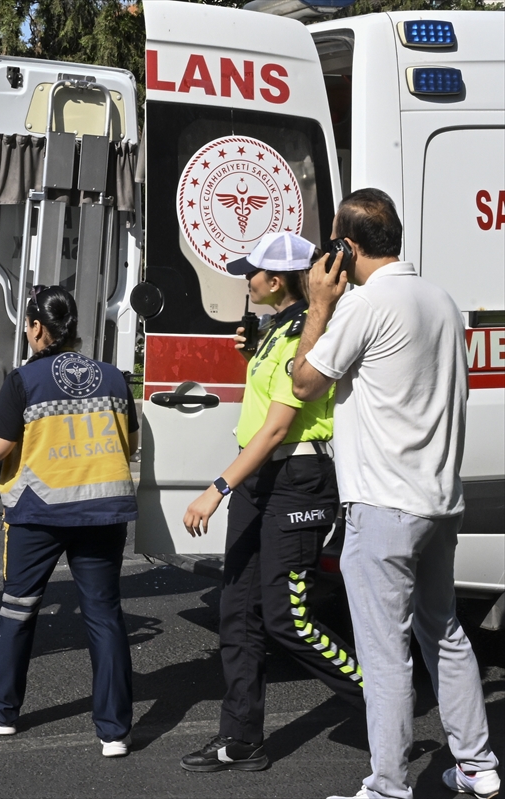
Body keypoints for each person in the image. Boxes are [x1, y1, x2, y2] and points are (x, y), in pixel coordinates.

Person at [288, 189, 500, 799]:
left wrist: (318, 305)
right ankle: (477, 765)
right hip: (438, 501)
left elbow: (304, 383)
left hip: (383, 505)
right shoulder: (440, 300)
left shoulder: (363, 305)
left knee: (384, 655)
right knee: (445, 632)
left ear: (346, 246)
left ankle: (387, 786)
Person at [177, 231, 364, 774]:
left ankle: (381, 697)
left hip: (297, 478)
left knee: (288, 619)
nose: (246, 280)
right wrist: (250, 353)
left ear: (276, 280)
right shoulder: (277, 329)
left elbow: (279, 426)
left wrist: (217, 488)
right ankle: (241, 740)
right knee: (236, 611)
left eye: (251, 273)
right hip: (262, 477)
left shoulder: (307, 332)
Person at [0, 286, 138, 756]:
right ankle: (115, 732)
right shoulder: (114, 378)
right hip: (103, 510)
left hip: (40, 511)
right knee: (104, 616)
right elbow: (128, 445)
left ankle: (2, 711)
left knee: (19, 609)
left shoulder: (25, 380)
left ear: (34, 327)